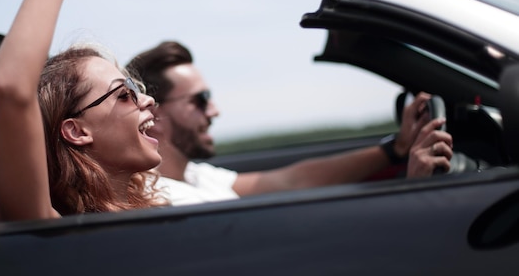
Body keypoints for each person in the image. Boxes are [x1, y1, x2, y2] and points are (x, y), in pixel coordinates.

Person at [0, 0, 164, 221]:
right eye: (124, 94)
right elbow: (11, 87)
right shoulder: (49, 229)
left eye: (137, 89)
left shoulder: (151, 207)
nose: (148, 100)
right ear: (76, 131)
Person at [126, 41, 453, 205]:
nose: (214, 111)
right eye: (200, 100)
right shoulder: (162, 200)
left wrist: (395, 149)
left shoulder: (195, 176)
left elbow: (291, 180)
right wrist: (415, 192)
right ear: (154, 115)